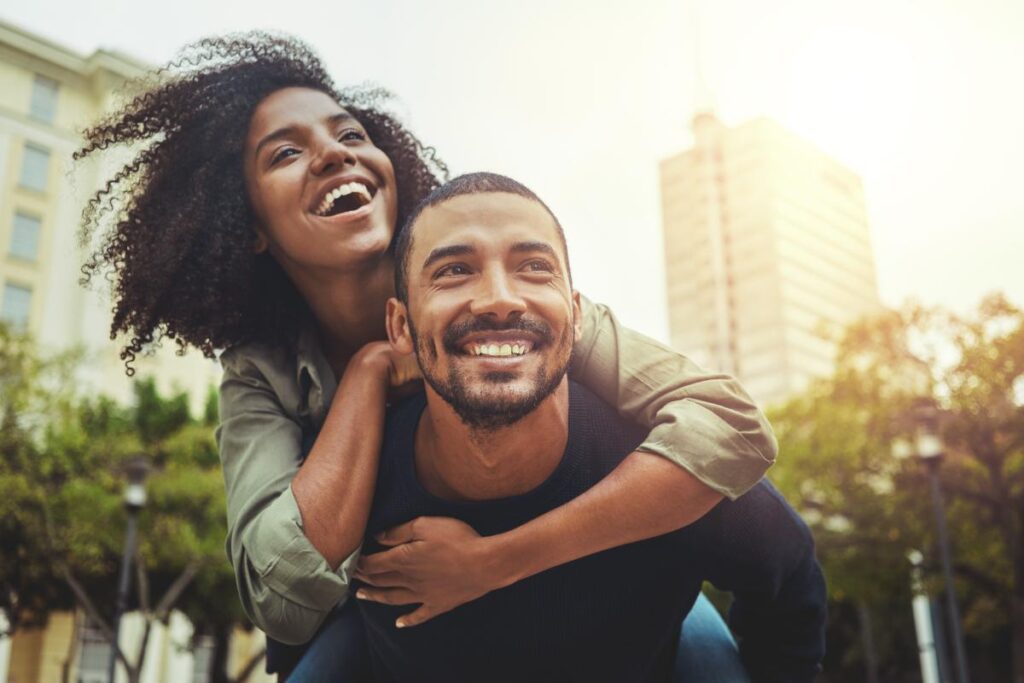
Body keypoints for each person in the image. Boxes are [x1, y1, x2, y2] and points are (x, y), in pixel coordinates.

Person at [76, 33, 779, 677]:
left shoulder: (505, 300)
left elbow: (728, 427)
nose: (333, 153)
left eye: (350, 134)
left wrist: (495, 560)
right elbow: (279, 593)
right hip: (397, 622)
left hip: (597, 579)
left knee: (712, 656)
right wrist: (370, 372)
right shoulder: (259, 373)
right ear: (248, 226)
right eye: (286, 153)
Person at [351, 172, 826, 682]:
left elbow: (789, 574)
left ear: (577, 318)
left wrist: (490, 562)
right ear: (400, 326)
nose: (499, 298)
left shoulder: (672, 466)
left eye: (534, 267)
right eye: (455, 270)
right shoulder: (359, 476)